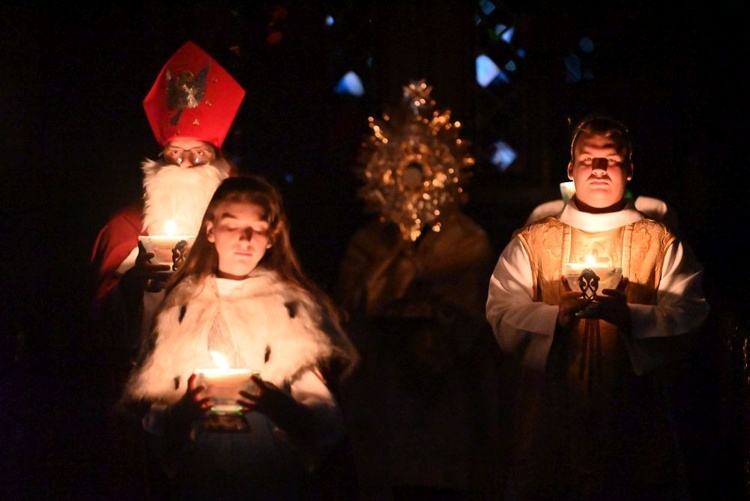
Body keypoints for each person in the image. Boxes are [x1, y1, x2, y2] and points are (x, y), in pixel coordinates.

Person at [486, 114, 710, 500]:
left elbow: (690, 310)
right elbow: (501, 307)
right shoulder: (533, 242)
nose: (600, 169)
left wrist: (634, 318)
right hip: (553, 406)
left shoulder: (660, 243)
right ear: (571, 169)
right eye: (589, 160)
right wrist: (551, 318)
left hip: (634, 407)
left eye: (611, 159)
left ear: (630, 169)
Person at [119, 174, 358, 499]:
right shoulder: (181, 308)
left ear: (272, 237)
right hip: (200, 480)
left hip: (270, 478)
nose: (245, 238)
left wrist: (273, 402)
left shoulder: (289, 309)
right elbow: (156, 421)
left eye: (258, 228)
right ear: (210, 231)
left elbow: (324, 423)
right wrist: (187, 409)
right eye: (232, 225)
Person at [337, 80, 510, 498]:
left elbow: (479, 317)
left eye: (422, 174)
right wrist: (395, 266)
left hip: (450, 391)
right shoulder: (368, 244)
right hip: (384, 387)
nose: (412, 186)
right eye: (402, 174)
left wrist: (436, 306)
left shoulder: (467, 241)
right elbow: (350, 311)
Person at [89, 41, 246, 394]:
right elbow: (99, 325)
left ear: (220, 167)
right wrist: (135, 282)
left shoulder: (240, 233)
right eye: (175, 154)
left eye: (199, 156)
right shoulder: (126, 229)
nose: (185, 166)